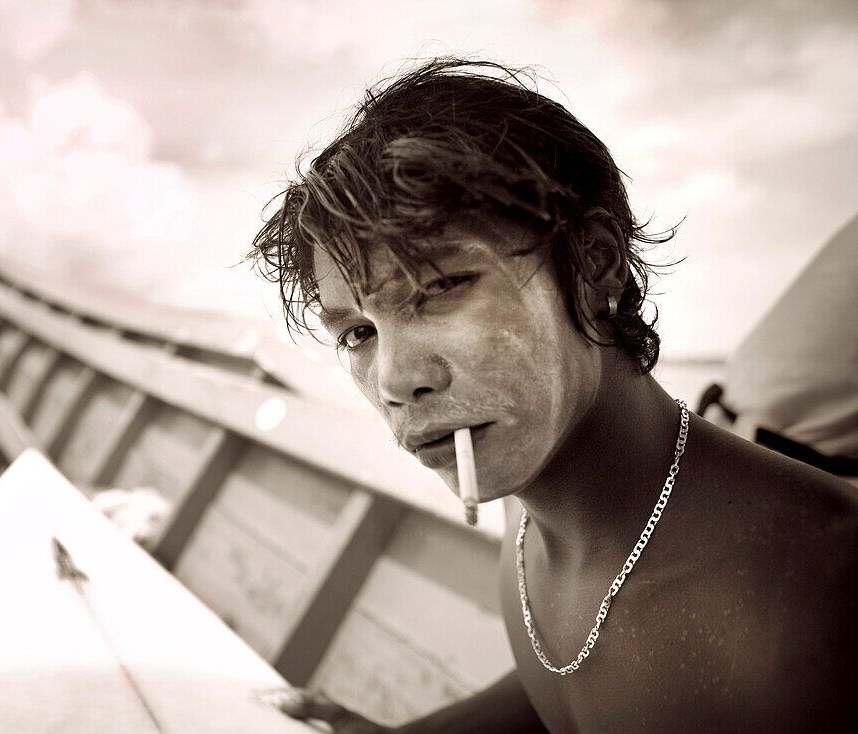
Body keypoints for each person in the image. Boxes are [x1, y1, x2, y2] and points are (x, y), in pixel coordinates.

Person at [249, 58, 857, 733]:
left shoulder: (806, 607)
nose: (394, 381)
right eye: (359, 332)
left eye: (441, 288)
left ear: (594, 264)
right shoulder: (538, 489)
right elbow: (584, 671)